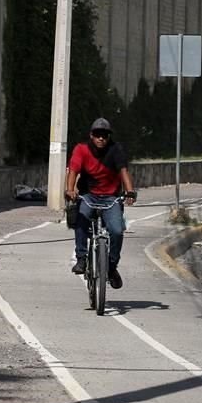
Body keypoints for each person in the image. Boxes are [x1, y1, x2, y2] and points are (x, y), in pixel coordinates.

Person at [65, 117, 136, 288]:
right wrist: (70, 190)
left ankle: (111, 267)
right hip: (88, 196)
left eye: (105, 135)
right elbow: (73, 171)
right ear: (91, 135)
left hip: (111, 198)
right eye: (97, 135)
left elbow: (123, 172)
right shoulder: (81, 150)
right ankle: (81, 258)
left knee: (117, 231)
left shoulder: (116, 149)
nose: (101, 139)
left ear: (109, 136)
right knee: (81, 220)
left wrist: (129, 192)